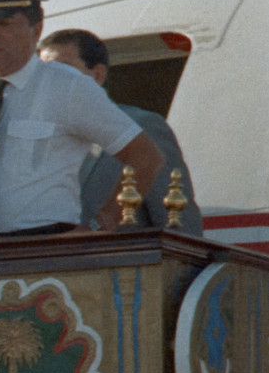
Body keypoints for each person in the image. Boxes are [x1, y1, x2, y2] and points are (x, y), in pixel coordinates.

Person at [0, 0, 164, 242]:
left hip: (41, 251)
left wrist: (100, 224)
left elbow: (146, 156)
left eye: (3, 24)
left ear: (35, 31)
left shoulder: (68, 87)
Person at [38, 28, 202, 235]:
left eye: (63, 70)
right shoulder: (41, 136)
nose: (50, 81)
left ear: (97, 74)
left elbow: (178, 223)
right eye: (43, 74)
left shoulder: (143, 126)